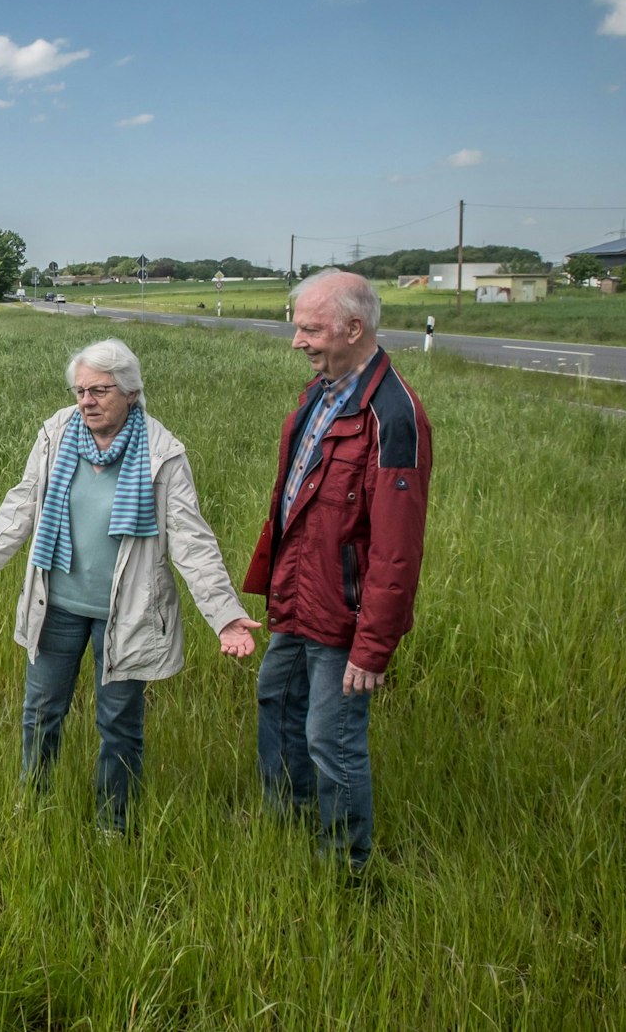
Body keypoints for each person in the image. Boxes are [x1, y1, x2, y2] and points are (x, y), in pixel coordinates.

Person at [0, 338, 260, 835]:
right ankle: (34, 809)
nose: (86, 401)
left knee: (118, 725)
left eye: (99, 391)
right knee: (40, 713)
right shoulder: (57, 434)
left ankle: (113, 826)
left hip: (128, 613)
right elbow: (20, 508)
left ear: (130, 392)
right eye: (80, 391)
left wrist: (225, 616)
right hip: (57, 606)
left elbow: (192, 541)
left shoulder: (161, 453)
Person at [240, 270, 431, 870]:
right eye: (297, 327)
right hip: (299, 597)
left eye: (311, 329)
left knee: (332, 737)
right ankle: (285, 826)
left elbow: (397, 549)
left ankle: (345, 865)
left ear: (353, 328)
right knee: (277, 705)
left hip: (343, 615)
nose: (297, 340)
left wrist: (372, 648)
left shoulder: (392, 417)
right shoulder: (319, 396)